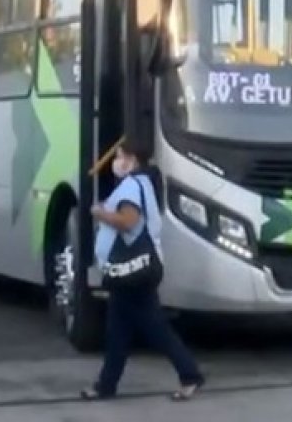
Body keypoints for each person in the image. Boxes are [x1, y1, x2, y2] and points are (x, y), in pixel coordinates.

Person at [81, 143, 205, 402]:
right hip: (132, 271)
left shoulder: (130, 186)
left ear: (133, 160)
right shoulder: (144, 184)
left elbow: (129, 221)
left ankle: (190, 374)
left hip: (133, 271)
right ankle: (105, 386)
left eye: (120, 157)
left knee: (154, 327)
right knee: (118, 331)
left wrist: (101, 213)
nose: (116, 161)